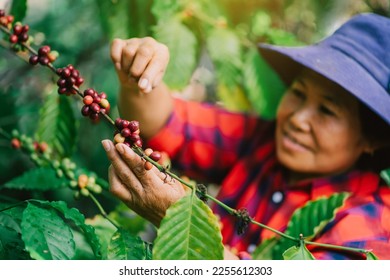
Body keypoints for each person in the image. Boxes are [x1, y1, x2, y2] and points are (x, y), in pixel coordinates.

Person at [101, 13, 390, 260]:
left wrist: (181, 219)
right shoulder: (262, 140)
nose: (297, 119)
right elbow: (166, 123)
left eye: (327, 111)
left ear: (372, 139)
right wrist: (139, 77)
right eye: (298, 93)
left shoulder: (374, 222)